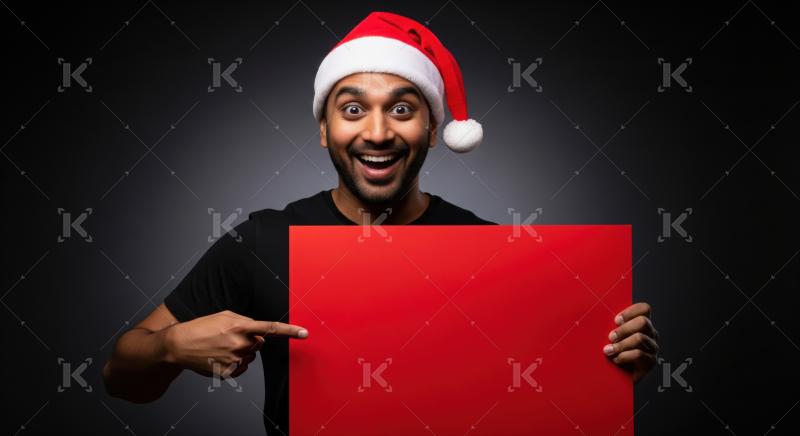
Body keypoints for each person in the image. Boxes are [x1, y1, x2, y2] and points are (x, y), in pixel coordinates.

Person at [103, 11, 659, 434]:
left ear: (433, 129)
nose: (376, 132)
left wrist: (607, 377)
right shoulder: (262, 241)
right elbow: (120, 378)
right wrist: (169, 347)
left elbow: (546, 414)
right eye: (352, 109)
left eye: (401, 109)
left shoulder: (496, 251)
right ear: (325, 129)